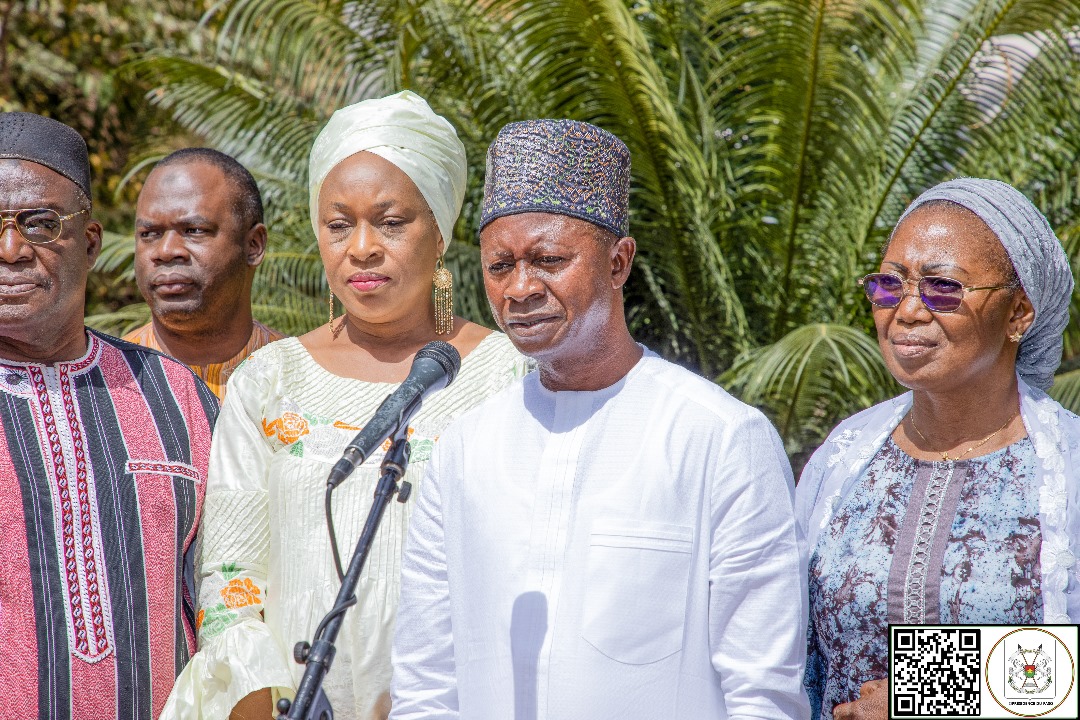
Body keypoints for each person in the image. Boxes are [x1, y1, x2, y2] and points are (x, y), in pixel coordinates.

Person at [390, 119, 810, 720]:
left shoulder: (719, 439)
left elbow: (763, 691)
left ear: (619, 262)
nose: (520, 288)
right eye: (500, 265)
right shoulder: (463, 449)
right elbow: (426, 684)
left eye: (549, 259)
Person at [162, 91, 529, 720]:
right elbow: (230, 578)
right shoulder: (270, 381)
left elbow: (532, 563)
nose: (361, 247)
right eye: (339, 224)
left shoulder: (507, 375)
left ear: (440, 231)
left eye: (391, 222)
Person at [796, 178, 1080, 720]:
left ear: (1019, 312)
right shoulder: (845, 457)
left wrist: (926, 700)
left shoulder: (1068, 469)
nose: (906, 311)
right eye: (888, 285)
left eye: (943, 288)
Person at [0, 113, 217, 718]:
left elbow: (228, 600)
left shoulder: (179, 399)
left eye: (39, 224)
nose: (11, 249)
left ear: (90, 242)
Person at [124, 148, 285, 399]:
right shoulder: (102, 387)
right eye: (149, 234)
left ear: (253, 245)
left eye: (194, 230)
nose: (166, 251)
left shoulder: (302, 384)